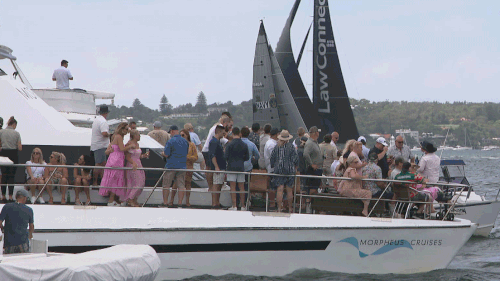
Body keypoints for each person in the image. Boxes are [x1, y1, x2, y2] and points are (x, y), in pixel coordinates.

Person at [99, 122, 134, 206]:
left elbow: (107, 150)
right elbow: (122, 149)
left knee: (112, 180)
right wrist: (130, 146)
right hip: (117, 160)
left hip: (112, 159)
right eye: (126, 129)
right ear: (122, 129)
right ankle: (111, 201)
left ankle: (113, 200)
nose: (127, 131)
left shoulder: (114, 136)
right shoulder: (119, 137)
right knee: (116, 181)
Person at [270, 130, 298, 213]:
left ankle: (279, 208)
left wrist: (273, 166)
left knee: (280, 189)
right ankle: (290, 208)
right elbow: (295, 159)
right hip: (289, 170)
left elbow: (272, 158)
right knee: (289, 190)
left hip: (278, 170)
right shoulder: (291, 147)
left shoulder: (276, 147)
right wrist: (295, 166)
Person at [201, 115, 232, 192]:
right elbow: (221, 138)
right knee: (209, 169)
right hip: (208, 149)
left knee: (208, 169)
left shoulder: (214, 126)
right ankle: (211, 187)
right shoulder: (219, 127)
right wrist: (229, 142)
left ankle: (210, 187)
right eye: (228, 124)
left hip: (206, 148)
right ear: (225, 122)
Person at [161, 125, 189, 207]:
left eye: (170, 132)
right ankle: (180, 203)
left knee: (166, 185)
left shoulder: (170, 141)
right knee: (181, 185)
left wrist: (162, 153)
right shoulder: (185, 141)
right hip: (182, 166)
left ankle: (165, 202)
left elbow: (166, 154)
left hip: (171, 166)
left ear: (172, 131)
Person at [0, 189, 34, 254]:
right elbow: (31, 226)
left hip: (9, 243)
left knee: (9, 262)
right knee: (23, 262)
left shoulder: (6, 207)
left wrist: (2, 229)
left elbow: (0, 222)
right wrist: (30, 235)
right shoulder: (29, 210)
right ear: (24, 198)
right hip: (23, 242)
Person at [224, 127, 249, 211]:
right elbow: (247, 157)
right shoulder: (244, 145)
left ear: (232, 133)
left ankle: (234, 206)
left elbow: (226, 156)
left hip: (231, 167)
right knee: (241, 187)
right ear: (240, 134)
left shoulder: (229, 144)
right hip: (241, 167)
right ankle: (243, 206)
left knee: (233, 187)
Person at [123, 129, 149, 207]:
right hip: (132, 165)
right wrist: (133, 163)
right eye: (138, 135)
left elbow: (137, 156)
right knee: (138, 182)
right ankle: (130, 199)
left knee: (141, 182)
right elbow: (127, 156)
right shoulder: (129, 144)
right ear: (134, 135)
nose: (139, 136)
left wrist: (144, 156)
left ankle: (134, 199)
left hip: (138, 164)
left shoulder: (137, 144)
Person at [0, 116, 22, 202]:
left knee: (4, 175)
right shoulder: (16, 133)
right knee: (11, 176)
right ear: (14, 124)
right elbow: (20, 148)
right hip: (13, 155)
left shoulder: (1, 132)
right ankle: (10, 196)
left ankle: (3, 195)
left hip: (4, 154)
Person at [303, 126, 323, 213]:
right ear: (315, 133)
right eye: (318, 132)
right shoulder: (310, 143)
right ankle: (309, 208)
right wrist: (312, 164)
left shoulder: (314, 142)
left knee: (314, 189)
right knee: (312, 189)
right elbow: (305, 154)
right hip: (313, 170)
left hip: (317, 170)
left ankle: (312, 207)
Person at [91, 105, 110, 186]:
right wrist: (112, 135)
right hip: (101, 146)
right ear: (106, 113)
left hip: (96, 145)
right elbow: (104, 133)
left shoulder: (96, 120)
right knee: (99, 164)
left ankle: (102, 182)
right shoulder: (103, 121)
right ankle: (95, 182)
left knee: (102, 164)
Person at [208, 125, 226, 208]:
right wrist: (216, 167)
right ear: (218, 132)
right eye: (223, 132)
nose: (224, 134)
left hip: (220, 166)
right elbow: (212, 155)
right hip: (218, 166)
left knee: (219, 184)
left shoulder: (217, 141)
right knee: (216, 184)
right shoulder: (214, 142)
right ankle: (214, 203)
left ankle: (217, 202)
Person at [241, 127, 259, 205]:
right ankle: (247, 200)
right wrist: (253, 160)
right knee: (246, 185)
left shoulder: (238, 143)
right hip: (248, 167)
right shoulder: (252, 144)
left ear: (240, 133)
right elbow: (258, 155)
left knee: (239, 184)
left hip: (239, 167)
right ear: (249, 134)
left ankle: (239, 202)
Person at [179, 129, 198, 207]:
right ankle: (173, 201)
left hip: (189, 166)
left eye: (183, 135)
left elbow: (196, 156)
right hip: (180, 166)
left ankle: (187, 201)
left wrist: (188, 158)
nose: (182, 137)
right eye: (180, 135)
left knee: (188, 184)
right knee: (177, 184)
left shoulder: (192, 145)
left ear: (187, 135)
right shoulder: (179, 144)